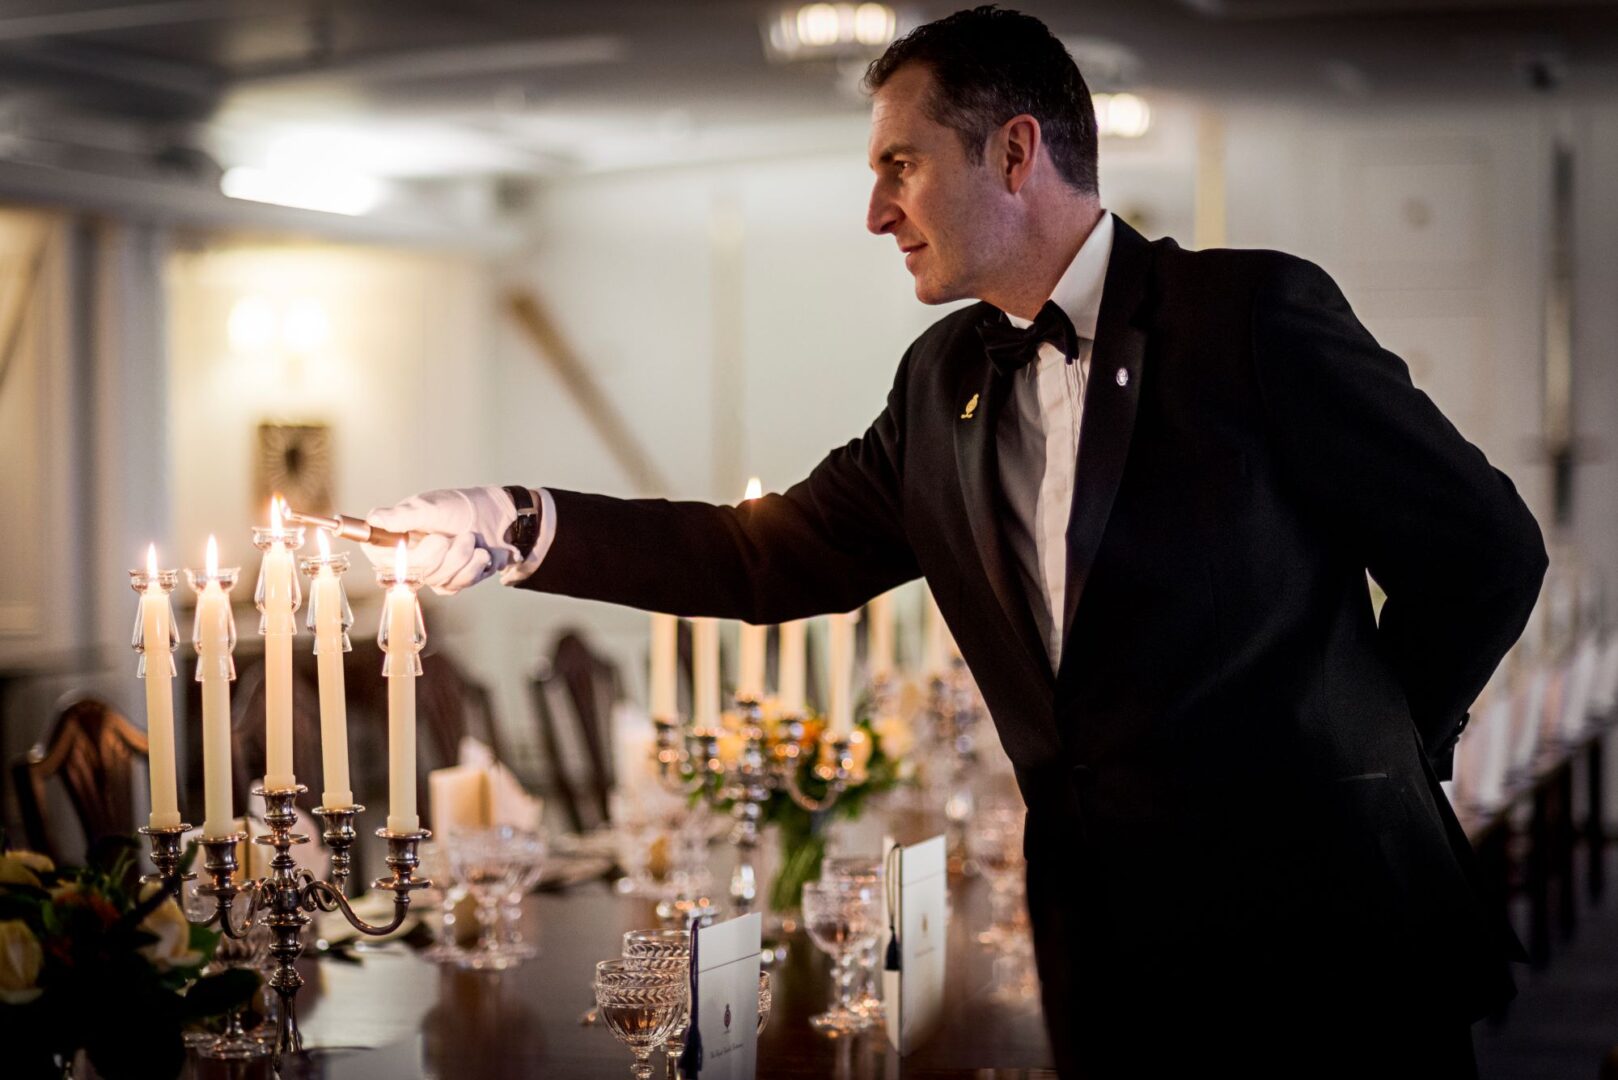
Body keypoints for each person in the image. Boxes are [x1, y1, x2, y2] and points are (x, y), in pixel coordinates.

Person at [364, 7, 1545, 1077]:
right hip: (1106, 946)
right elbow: (762, 558)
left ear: (1015, 153)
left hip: (1322, 933)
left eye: (900, 167)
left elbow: (1486, 550)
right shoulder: (941, 381)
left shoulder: (1249, 317)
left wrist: (1377, 747)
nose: (876, 212)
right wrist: (515, 524)